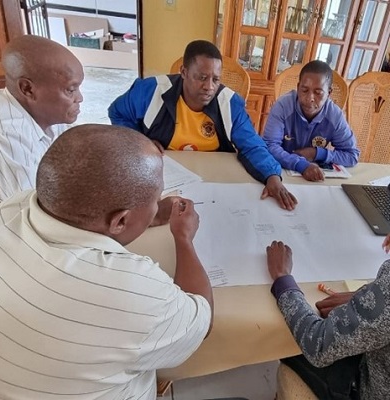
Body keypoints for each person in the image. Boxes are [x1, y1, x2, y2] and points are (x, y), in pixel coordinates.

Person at [0, 124, 213, 399]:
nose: (158, 204)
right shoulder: (132, 290)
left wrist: (146, 215)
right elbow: (201, 319)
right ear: (119, 220)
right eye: (157, 199)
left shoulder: (9, 210)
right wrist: (184, 238)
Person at [108, 39, 297, 211]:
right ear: (183, 72)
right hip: (166, 180)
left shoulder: (229, 103)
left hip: (213, 179)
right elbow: (117, 112)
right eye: (202, 77)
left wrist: (272, 176)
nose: (209, 87)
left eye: (216, 79)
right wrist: (141, 141)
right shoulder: (152, 91)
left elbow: (252, 145)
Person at [266, 234, 390, 399]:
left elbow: (316, 343)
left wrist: (282, 278)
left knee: (288, 344)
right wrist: (366, 298)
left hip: (366, 389)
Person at [0, 34, 84, 202]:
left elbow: (78, 151)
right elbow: (31, 208)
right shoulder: (4, 134)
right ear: (28, 89)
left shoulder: (46, 112)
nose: (80, 98)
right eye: (71, 90)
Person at [263, 60, 360, 182]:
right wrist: (301, 165)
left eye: (318, 93)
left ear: (329, 93)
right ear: (298, 87)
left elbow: (352, 155)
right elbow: (269, 146)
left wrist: (316, 153)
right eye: (304, 90)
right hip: (281, 173)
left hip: (316, 178)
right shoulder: (283, 106)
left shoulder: (335, 116)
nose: (310, 98)